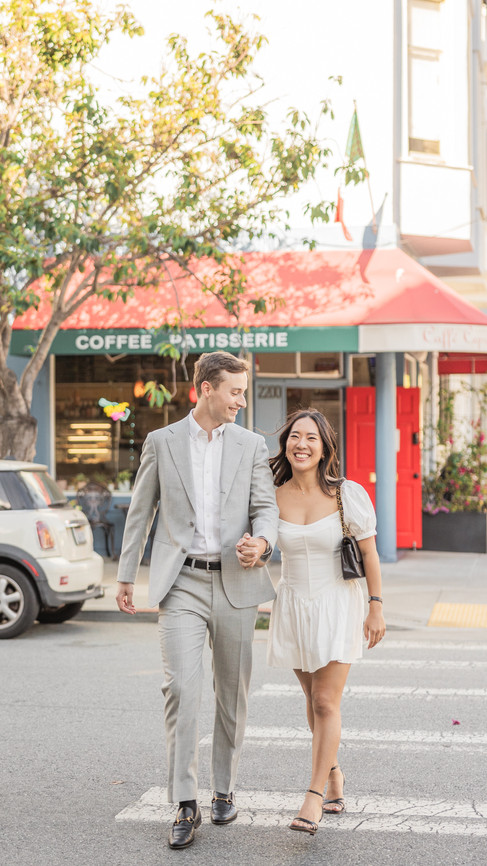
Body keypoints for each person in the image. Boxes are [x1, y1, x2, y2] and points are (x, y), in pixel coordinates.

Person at [116, 351, 278, 850]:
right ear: (206, 388)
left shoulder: (251, 444)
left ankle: (224, 787)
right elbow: (140, 512)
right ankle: (185, 801)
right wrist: (125, 575)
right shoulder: (161, 442)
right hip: (181, 582)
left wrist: (263, 543)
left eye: (243, 392)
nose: (241, 401)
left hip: (235, 581)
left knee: (232, 693)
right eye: (235, 391)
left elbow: (265, 506)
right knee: (181, 690)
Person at [265, 408, 386, 836]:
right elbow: (260, 545)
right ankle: (334, 772)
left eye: (311, 438)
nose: (301, 444)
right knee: (311, 697)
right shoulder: (272, 494)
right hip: (293, 603)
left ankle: (314, 795)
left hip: (338, 603)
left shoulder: (345, 494)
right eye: (295, 436)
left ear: (324, 448)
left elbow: (369, 553)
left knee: (324, 702)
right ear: (285, 444)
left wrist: (376, 606)